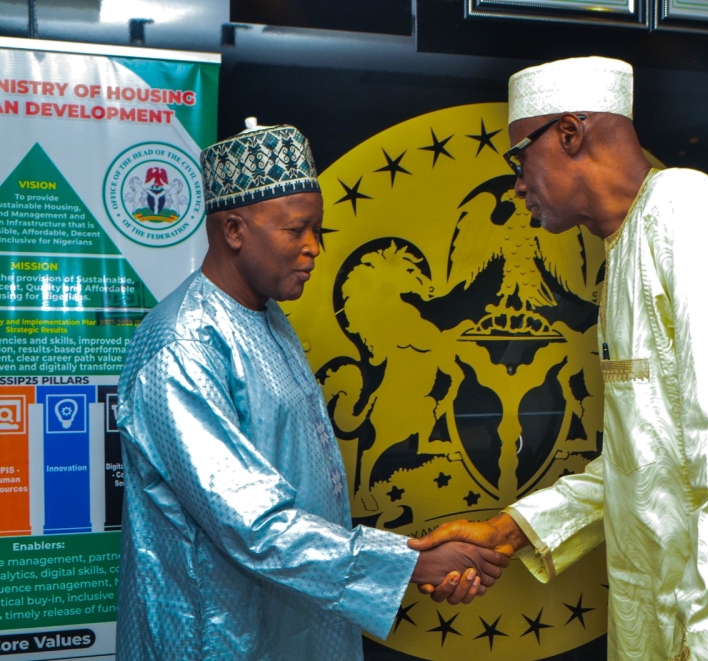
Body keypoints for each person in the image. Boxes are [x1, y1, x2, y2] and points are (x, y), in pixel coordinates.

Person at [412, 57, 708, 660]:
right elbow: (643, 465)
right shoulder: (627, 246)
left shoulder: (687, 215)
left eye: (518, 159)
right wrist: (509, 532)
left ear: (568, 133)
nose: (517, 185)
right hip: (674, 615)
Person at [114, 120, 509, 660]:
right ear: (233, 230)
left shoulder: (267, 316)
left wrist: (414, 558)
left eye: (317, 230)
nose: (314, 249)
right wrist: (411, 562)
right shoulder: (183, 346)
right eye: (296, 230)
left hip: (294, 621)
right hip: (217, 637)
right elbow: (254, 527)